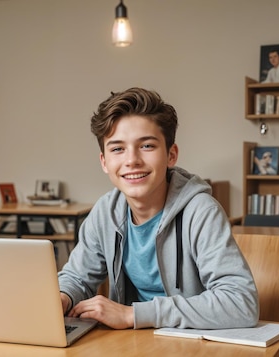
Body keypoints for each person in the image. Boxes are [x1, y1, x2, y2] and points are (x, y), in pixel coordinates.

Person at [58, 88, 258, 330]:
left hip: (192, 344)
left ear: (171, 155)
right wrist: (62, 297)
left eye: (147, 146)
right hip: (130, 343)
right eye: (117, 149)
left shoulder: (201, 211)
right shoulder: (105, 213)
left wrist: (134, 315)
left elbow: (241, 303)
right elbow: (77, 278)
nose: (131, 160)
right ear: (104, 162)